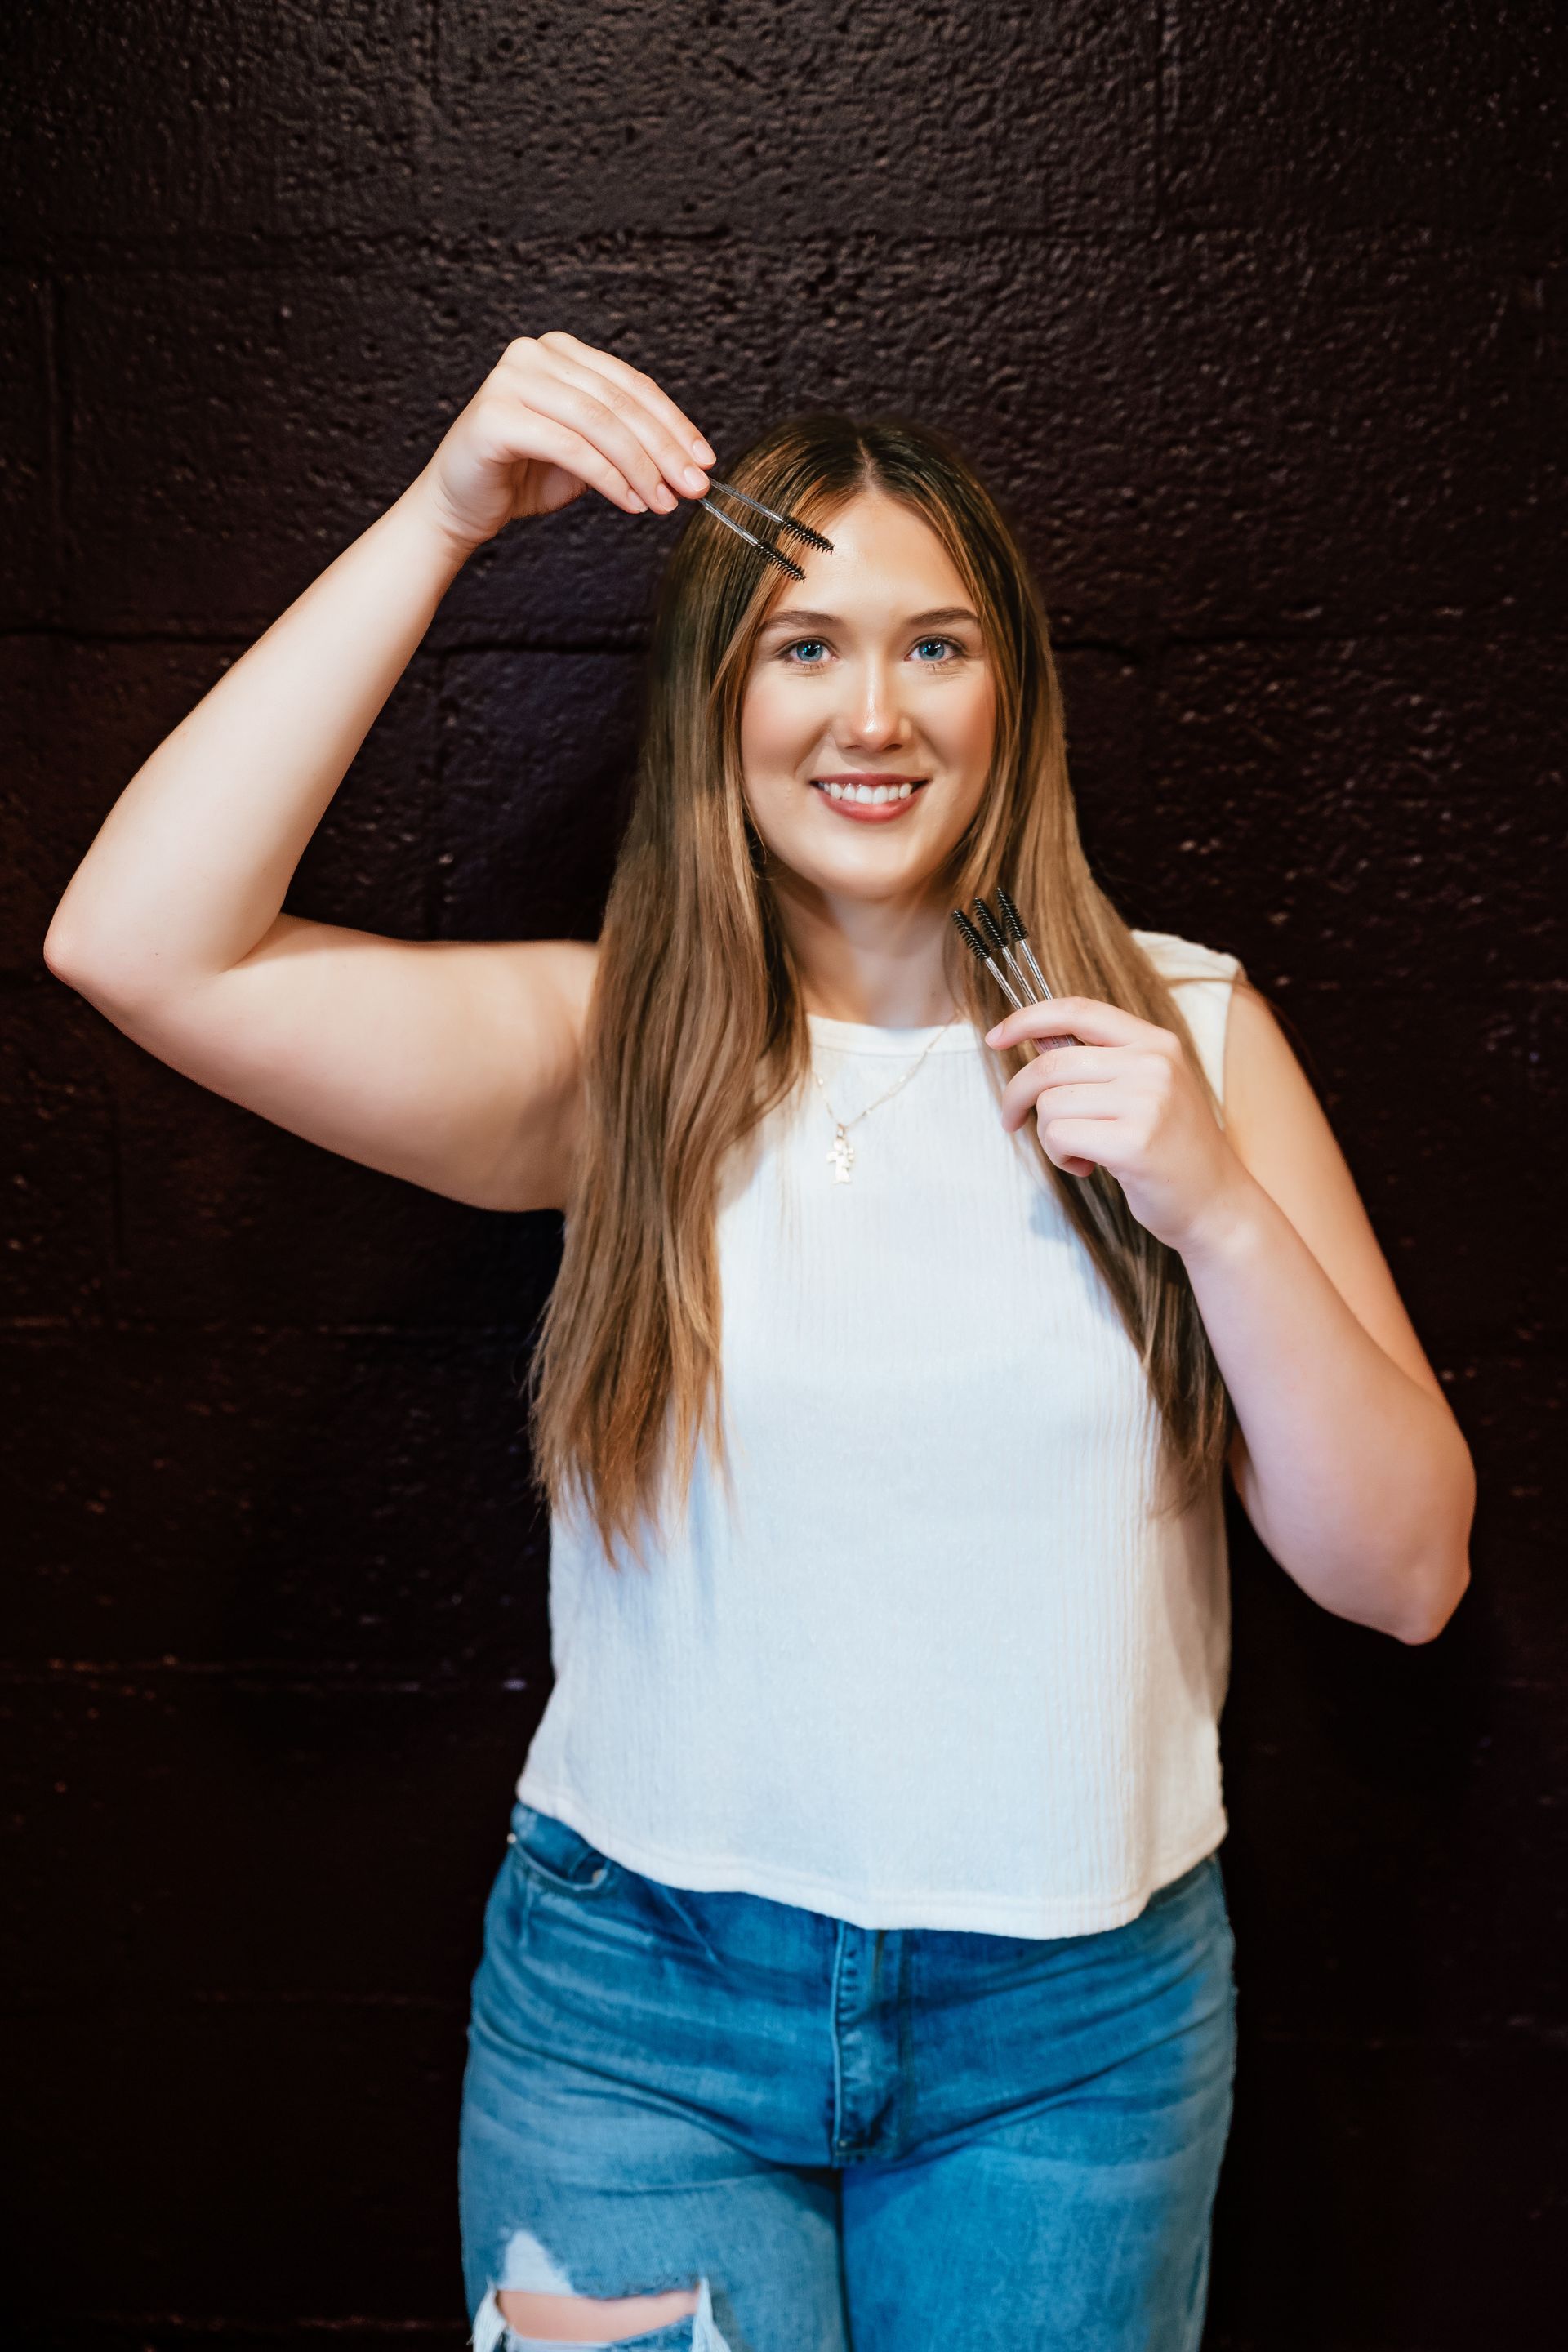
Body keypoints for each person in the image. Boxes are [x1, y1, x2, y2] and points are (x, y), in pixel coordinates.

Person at [43, 332, 1476, 2352]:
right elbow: (134, 940)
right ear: (718, 702)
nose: (870, 712)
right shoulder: (610, 1052)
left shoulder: (1193, 1035)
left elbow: (1404, 1577)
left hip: (1074, 2047)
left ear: (1015, 697)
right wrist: (450, 514)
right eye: (800, 647)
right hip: (634, 2029)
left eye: (936, 646)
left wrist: (1216, 1211)